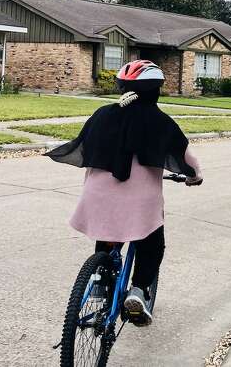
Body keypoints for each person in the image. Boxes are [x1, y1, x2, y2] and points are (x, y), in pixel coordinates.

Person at [45, 60, 203, 327]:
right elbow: (185, 155)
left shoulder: (102, 115)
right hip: (140, 204)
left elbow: (83, 147)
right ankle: (139, 291)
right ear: (156, 90)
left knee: (107, 233)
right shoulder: (160, 122)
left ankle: (98, 280)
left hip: (97, 198)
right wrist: (195, 175)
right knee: (152, 242)